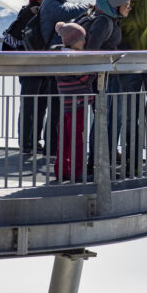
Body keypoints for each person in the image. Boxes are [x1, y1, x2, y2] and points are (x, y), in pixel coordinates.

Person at [38, 0, 90, 155]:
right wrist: (86, 6)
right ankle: (52, 147)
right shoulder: (52, 5)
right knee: (56, 107)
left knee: (57, 106)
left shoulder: (54, 3)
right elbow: (68, 13)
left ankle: (54, 147)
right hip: (55, 61)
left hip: (57, 60)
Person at [82, 0, 131, 170]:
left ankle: (100, 159)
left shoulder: (110, 19)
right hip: (101, 78)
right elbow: (93, 50)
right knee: (102, 117)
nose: (129, 8)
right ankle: (95, 161)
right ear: (117, 5)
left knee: (105, 117)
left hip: (107, 76)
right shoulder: (104, 22)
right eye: (126, 5)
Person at [2, 0, 48, 153]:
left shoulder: (27, 13)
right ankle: (30, 142)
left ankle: (29, 141)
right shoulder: (32, 15)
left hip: (29, 65)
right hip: (35, 65)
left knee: (31, 104)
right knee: (35, 105)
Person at [53, 22, 95, 181]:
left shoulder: (59, 55)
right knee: (77, 138)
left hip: (66, 102)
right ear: (73, 40)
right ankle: (77, 172)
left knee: (64, 136)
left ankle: (61, 169)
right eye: (81, 39)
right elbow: (85, 77)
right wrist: (93, 73)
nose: (84, 42)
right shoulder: (73, 58)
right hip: (78, 101)